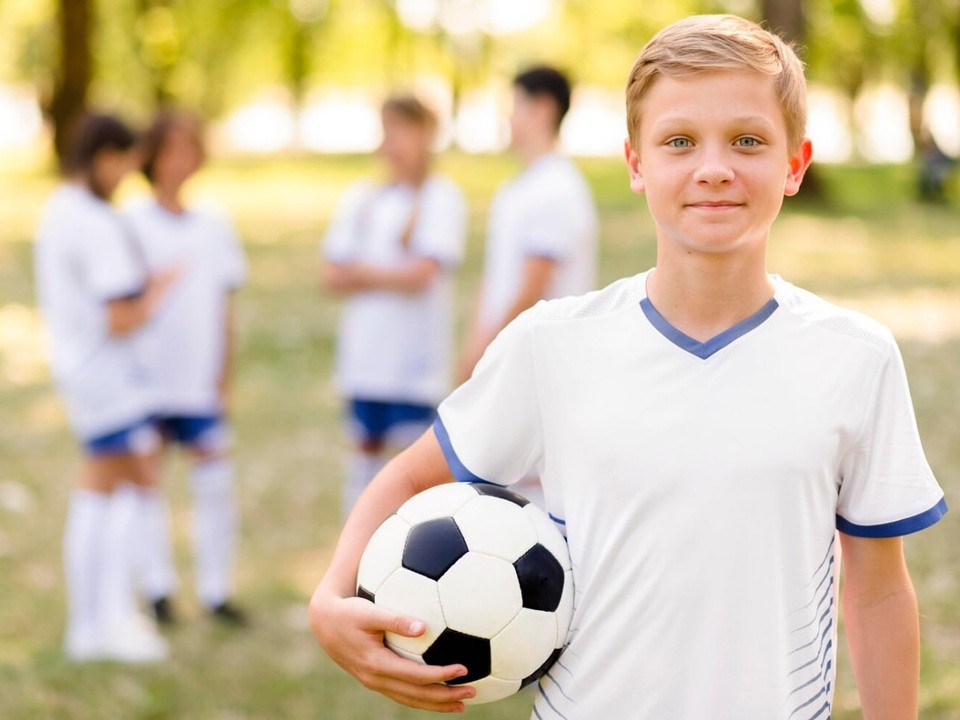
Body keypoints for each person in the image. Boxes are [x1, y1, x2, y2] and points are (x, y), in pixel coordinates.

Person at [308, 14, 948, 718]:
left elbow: (879, 588)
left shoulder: (855, 357)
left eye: (748, 140)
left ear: (795, 163)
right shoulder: (551, 344)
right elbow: (406, 475)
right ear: (637, 162)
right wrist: (331, 597)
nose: (713, 167)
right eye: (679, 141)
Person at [35, 111, 177, 663]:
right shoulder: (92, 220)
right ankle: (104, 623)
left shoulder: (59, 210)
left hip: (83, 370)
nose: (125, 178)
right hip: (106, 374)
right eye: (124, 165)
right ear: (104, 158)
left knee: (110, 486)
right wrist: (159, 292)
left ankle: (100, 620)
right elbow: (120, 316)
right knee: (116, 487)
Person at [125, 109, 248, 625]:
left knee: (214, 479)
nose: (180, 161)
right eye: (170, 149)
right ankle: (157, 587)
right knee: (148, 483)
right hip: (148, 378)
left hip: (199, 378)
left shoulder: (214, 224)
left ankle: (216, 588)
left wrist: (223, 371)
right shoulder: (130, 223)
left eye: (189, 148)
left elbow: (224, 306)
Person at [320, 94, 467, 518]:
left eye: (402, 129)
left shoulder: (440, 197)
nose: (392, 141)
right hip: (364, 358)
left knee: (411, 473)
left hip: (413, 363)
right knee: (362, 462)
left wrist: (362, 274)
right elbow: (331, 274)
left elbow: (424, 273)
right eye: (387, 129)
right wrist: (388, 273)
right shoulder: (363, 197)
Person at [457, 65, 597, 507]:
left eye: (514, 106)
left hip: (535, 360)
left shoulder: (557, 188)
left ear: (542, 109)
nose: (507, 118)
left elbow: (533, 286)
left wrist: (486, 354)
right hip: (506, 351)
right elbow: (497, 279)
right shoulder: (520, 186)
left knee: (526, 493)